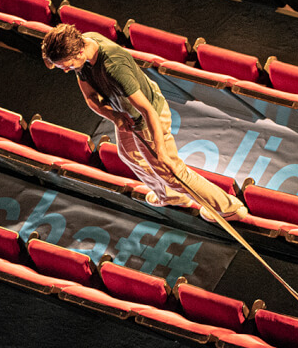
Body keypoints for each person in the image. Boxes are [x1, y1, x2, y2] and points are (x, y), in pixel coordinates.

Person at [40, 24, 247, 222]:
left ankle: (228, 208)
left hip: (147, 116)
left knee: (171, 172)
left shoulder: (114, 66)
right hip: (125, 112)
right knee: (130, 155)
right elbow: (90, 97)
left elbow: (148, 111)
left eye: (67, 66)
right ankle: (169, 195)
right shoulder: (82, 46)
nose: (66, 70)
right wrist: (115, 116)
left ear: (78, 53)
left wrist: (161, 151)